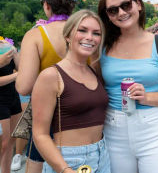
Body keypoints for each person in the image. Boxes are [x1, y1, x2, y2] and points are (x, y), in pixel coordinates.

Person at [97, 0, 158, 173]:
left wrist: (147, 97)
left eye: (126, 5)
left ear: (138, 4)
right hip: (113, 128)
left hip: (154, 129)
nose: (121, 13)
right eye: (112, 10)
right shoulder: (101, 47)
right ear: (107, 16)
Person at [32, 10, 110, 173]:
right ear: (68, 36)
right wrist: (64, 169)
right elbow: (40, 134)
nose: (90, 37)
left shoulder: (94, 71)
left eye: (96, 33)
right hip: (69, 160)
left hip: (102, 155)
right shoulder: (51, 76)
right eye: (82, 30)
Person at [16, 0, 79, 173]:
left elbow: (24, 87)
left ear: (46, 5)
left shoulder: (35, 36)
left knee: (36, 163)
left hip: (47, 117)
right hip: (80, 116)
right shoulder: (85, 33)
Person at [0, 39, 20, 173]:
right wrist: (17, 75)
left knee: (11, 141)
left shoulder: (4, 46)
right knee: (3, 143)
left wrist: (14, 52)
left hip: (13, 97)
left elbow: (21, 68)